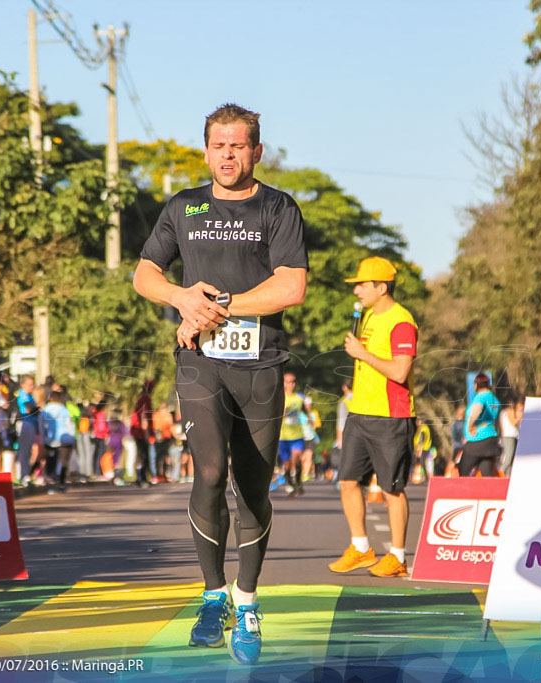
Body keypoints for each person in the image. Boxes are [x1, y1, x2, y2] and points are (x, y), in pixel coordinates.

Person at [132, 103, 308, 664]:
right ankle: (213, 595)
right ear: (205, 150)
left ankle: (248, 602)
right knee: (209, 471)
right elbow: (144, 274)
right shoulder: (184, 206)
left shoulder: (278, 207)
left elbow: (290, 287)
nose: (227, 155)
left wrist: (221, 307)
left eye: (238, 146)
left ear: (257, 151)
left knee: (252, 488)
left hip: (260, 365)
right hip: (198, 361)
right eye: (218, 145)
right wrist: (183, 297)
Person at [328, 255, 417, 580]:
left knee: (392, 488)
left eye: (362, 285)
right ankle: (361, 547)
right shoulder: (366, 315)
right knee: (348, 482)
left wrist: (362, 354)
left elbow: (400, 370)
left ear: (381, 287)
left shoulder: (401, 320)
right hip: (360, 413)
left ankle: (397, 556)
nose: (357, 292)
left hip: (391, 416)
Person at [460, 373, 501, 477]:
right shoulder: (494, 399)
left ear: (476, 385)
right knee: (486, 473)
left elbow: (477, 409)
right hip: (491, 440)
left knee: (463, 471)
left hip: (477, 441)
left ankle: (461, 493)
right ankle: (489, 493)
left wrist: (470, 425)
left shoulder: (481, 396)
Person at [277, 372, 306, 496]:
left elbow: (305, 411)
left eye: (293, 381)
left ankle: (298, 480)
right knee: (287, 463)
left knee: (297, 458)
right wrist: (283, 412)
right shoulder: (279, 397)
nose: (291, 384)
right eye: (288, 381)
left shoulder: (299, 398)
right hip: (283, 436)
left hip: (297, 435)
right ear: (283, 383)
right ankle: (290, 482)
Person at [498, 398, 524, 475]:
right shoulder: (510, 411)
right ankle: (501, 472)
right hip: (510, 436)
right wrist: (520, 417)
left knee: (510, 458)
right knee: (509, 458)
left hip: (508, 436)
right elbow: (514, 422)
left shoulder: (503, 412)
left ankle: (507, 476)